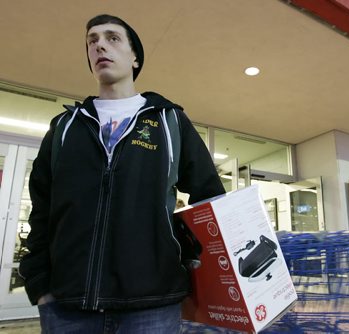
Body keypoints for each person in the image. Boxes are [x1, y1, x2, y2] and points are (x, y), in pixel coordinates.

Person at [19, 14, 225, 333]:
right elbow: (42, 210)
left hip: (153, 307)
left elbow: (210, 199)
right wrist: (40, 284)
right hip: (68, 306)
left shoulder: (169, 122)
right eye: (92, 40)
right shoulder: (64, 128)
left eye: (112, 38)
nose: (100, 44)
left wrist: (189, 263)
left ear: (134, 57)